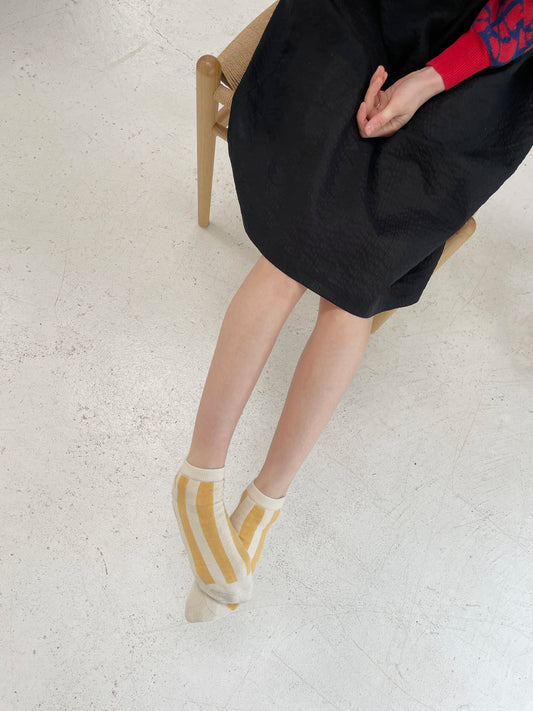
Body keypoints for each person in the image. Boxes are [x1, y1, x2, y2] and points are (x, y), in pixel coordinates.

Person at [172, 0, 533, 622]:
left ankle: (260, 504)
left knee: (355, 285)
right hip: (366, 15)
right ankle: (201, 476)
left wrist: (430, 80)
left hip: (481, 65)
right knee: (300, 245)